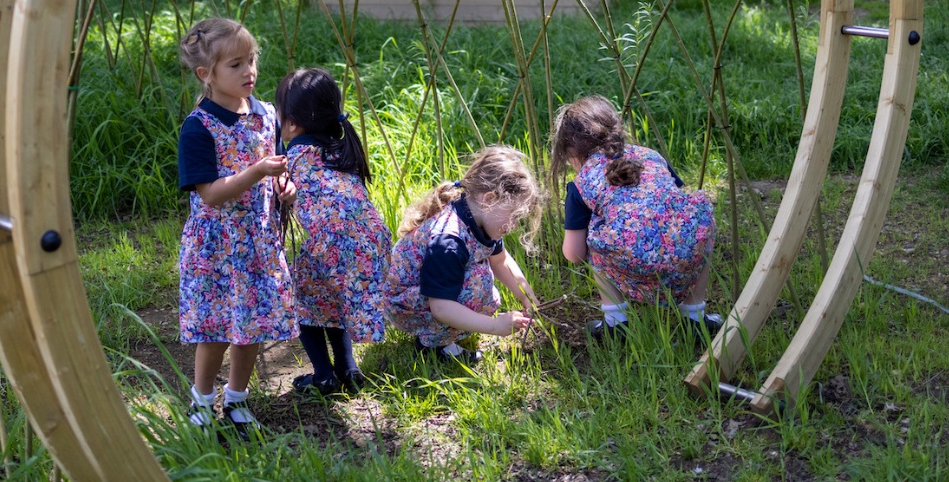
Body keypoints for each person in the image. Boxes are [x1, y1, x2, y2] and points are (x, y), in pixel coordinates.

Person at [177, 17, 297, 440]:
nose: (249, 71)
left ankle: (239, 399)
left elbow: (275, 167)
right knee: (215, 329)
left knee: (254, 325)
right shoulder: (199, 127)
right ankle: (203, 400)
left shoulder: (265, 115)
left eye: (252, 60)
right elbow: (209, 194)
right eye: (236, 65)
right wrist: (259, 170)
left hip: (258, 242)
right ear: (206, 75)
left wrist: (283, 184)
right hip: (217, 248)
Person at [550, 96, 717, 342]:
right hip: (689, 250)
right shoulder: (650, 155)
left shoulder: (581, 184)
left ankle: (615, 323)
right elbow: (675, 201)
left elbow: (573, 254)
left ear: (572, 153)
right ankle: (695, 317)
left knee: (596, 237)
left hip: (638, 260)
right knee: (694, 222)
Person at [275, 68, 392, 395]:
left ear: (292, 123)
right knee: (330, 298)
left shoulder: (291, 157)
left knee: (301, 297)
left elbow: (279, 201)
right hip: (370, 242)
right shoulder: (343, 149)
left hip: (330, 242)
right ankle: (349, 369)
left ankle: (325, 374)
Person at [384, 146, 542, 362]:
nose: (513, 224)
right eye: (512, 215)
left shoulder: (481, 220)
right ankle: (433, 345)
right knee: (478, 286)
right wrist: (496, 326)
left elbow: (501, 260)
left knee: (483, 287)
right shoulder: (448, 240)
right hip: (405, 304)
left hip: (426, 293)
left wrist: (528, 299)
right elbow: (440, 307)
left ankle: (445, 333)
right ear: (489, 199)